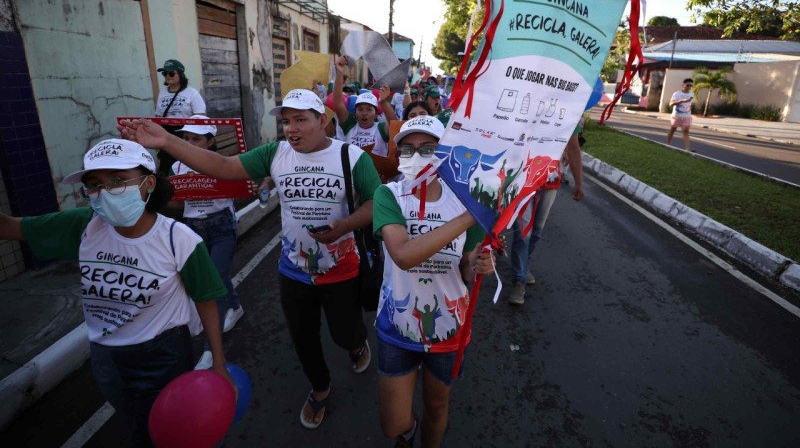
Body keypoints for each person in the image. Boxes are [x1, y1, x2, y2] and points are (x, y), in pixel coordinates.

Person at [120, 89, 381, 430]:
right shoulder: (276, 153)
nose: (290, 128)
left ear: (324, 121)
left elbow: (377, 203)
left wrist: (344, 225)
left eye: (300, 119)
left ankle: (355, 344)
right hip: (294, 273)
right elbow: (224, 166)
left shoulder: (352, 157)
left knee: (345, 334)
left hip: (342, 271)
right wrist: (168, 142)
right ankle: (320, 388)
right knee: (304, 340)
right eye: (286, 121)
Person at [0, 139, 231, 446]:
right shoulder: (83, 227)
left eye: (117, 181)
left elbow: (206, 300)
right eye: (94, 185)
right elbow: (10, 227)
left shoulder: (179, 239)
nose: (104, 192)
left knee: (170, 429)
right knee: (137, 423)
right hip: (106, 359)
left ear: (148, 184)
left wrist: (218, 362)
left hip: (163, 356)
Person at [373, 115, 495, 448]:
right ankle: (407, 434)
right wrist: (472, 215)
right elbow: (402, 255)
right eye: (408, 149)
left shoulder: (464, 198)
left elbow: (466, 267)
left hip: (449, 328)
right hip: (397, 326)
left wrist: (478, 262)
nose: (417, 157)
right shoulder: (389, 195)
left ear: (445, 155)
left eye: (428, 149)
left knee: (437, 405)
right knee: (393, 424)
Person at [169, 116, 244, 370]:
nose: (189, 143)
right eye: (186, 138)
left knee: (211, 282)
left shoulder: (225, 164)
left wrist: (248, 186)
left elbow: (241, 189)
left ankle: (210, 349)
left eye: (196, 139)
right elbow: (178, 204)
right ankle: (235, 305)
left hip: (221, 227)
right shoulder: (177, 167)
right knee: (217, 276)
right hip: (193, 230)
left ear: (211, 141)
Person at [507, 129, 584, 306]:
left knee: (537, 230)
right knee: (523, 232)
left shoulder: (570, 113)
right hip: (522, 180)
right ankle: (518, 280)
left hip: (550, 182)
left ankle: (524, 266)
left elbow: (573, 148)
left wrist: (579, 182)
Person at [332, 56, 396, 156]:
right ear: (355, 112)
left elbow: (394, 125)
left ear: (376, 114)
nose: (364, 113)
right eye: (360, 109)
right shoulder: (350, 125)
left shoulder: (381, 128)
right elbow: (337, 103)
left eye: (369, 109)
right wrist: (340, 73)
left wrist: (384, 103)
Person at [154, 59, 206, 174]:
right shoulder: (162, 93)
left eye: (171, 73)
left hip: (184, 133)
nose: (167, 76)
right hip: (166, 132)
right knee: (166, 165)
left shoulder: (192, 93)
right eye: (164, 73)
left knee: (184, 165)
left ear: (180, 75)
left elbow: (200, 116)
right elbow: (158, 116)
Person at [667, 78, 695, 151]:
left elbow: (690, 104)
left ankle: (687, 148)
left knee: (686, 131)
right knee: (673, 129)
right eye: (687, 85)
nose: (689, 87)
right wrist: (682, 101)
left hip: (687, 116)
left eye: (691, 85)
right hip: (677, 115)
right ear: (683, 85)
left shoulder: (692, 94)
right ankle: (667, 144)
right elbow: (671, 104)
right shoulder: (677, 94)